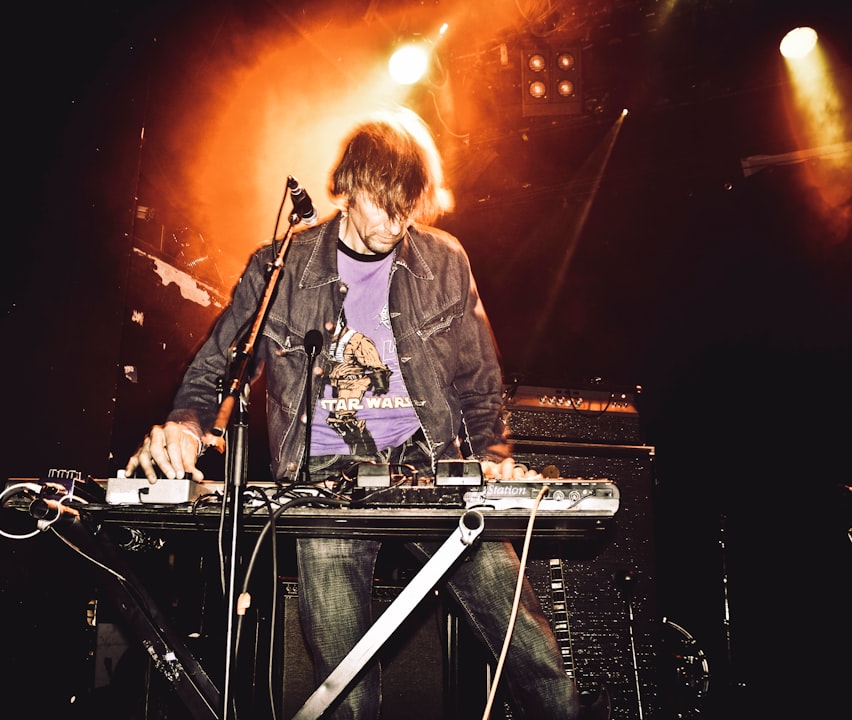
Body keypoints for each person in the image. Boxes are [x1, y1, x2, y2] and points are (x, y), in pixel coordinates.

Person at [125, 107, 607, 720]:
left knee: (531, 649)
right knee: (345, 686)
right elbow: (216, 366)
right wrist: (186, 424)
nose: (396, 222)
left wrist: (490, 460)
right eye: (384, 204)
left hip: (429, 470)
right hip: (325, 481)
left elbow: (481, 382)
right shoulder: (282, 267)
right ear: (348, 187)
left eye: (408, 207)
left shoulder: (444, 260)